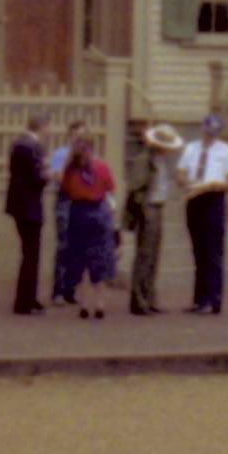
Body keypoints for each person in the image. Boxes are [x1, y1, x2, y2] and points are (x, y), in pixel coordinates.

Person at [180, 110, 228, 314]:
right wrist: (190, 183)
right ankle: (199, 298)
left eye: (213, 133)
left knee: (213, 250)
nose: (209, 136)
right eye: (207, 131)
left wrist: (214, 186)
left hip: (213, 199)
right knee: (198, 250)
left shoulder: (226, 150)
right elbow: (180, 173)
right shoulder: (191, 149)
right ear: (202, 128)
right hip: (194, 197)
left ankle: (215, 297)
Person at [59, 127, 120, 320]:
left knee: (80, 257)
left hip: (78, 212)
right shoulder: (102, 167)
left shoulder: (70, 170)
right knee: (99, 257)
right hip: (99, 212)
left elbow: (66, 190)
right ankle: (100, 303)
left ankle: (84, 303)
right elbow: (110, 188)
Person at [123, 119, 181, 315]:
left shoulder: (160, 160)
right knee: (144, 254)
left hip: (158, 205)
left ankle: (149, 296)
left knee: (154, 255)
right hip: (148, 206)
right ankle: (138, 300)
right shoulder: (144, 159)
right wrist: (138, 213)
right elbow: (135, 187)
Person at [2, 111, 50, 315]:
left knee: (28, 252)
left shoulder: (18, 144)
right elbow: (36, 178)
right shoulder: (32, 147)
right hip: (29, 205)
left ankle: (29, 297)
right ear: (41, 126)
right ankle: (24, 301)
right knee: (31, 254)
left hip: (18, 204)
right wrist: (49, 175)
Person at [46, 120, 91, 306]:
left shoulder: (88, 156)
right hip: (65, 201)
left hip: (82, 202)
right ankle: (58, 290)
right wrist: (69, 158)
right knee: (63, 245)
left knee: (79, 247)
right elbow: (58, 178)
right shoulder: (60, 154)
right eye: (77, 136)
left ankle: (71, 289)